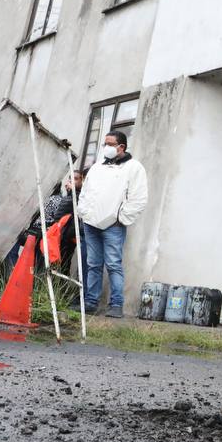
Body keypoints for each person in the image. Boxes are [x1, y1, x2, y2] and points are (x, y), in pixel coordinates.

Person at [77, 132, 147, 318]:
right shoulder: (97, 168)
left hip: (113, 225)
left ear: (121, 147)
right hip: (91, 223)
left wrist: (121, 218)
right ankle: (91, 302)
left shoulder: (134, 168)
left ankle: (116, 305)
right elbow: (85, 193)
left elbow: (138, 198)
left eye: (109, 144)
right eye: (104, 144)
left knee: (114, 265)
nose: (105, 147)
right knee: (93, 264)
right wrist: (83, 213)